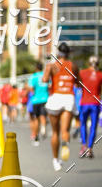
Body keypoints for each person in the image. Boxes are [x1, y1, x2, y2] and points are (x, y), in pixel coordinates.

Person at [42, 42, 80, 171]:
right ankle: (65, 142)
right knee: (65, 131)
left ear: (58, 53)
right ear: (68, 53)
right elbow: (78, 82)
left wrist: (50, 76)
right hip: (68, 97)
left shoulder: (52, 66)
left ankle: (55, 160)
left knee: (55, 132)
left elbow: (45, 80)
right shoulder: (73, 66)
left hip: (55, 98)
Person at [78, 55, 102, 158]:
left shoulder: (82, 73)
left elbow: (77, 85)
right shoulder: (100, 75)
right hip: (95, 103)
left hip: (84, 103)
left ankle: (83, 146)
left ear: (88, 63)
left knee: (83, 124)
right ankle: (89, 149)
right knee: (93, 126)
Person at [28, 61, 49, 144]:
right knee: (43, 116)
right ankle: (43, 128)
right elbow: (49, 85)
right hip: (45, 99)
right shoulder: (45, 75)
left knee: (36, 118)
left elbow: (31, 89)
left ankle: (36, 135)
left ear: (36, 68)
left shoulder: (33, 77)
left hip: (36, 100)